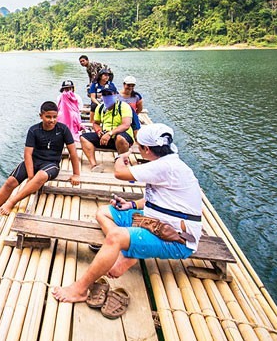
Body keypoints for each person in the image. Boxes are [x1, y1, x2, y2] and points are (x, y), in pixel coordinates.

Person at [52, 123, 202, 303]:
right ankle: (129, 251)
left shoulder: (165, 167)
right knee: (103, 212)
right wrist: (131, 204)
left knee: (115, 237)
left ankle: (80, 289)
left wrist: (120, 157)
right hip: (153, 221)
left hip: (176, 239)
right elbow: (154, 198)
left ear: (146, 149)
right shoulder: (166, 163)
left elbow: (119, 173)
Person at [0, 101, 81, 229]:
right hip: (34, 161)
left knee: (41, 176)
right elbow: (28, 154)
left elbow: (73, 152)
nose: (52, 120)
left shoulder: (63, 129)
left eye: (55, 117)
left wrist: (76, 174)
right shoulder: (34, 130)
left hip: (51, 164)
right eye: (48, 117)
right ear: (41, 116)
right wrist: (30, 176)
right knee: (10, 181)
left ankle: (12, 202)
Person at [81, 88, 133, 172]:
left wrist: (110, 133)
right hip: (105, 136)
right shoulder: (100, 107)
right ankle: (93, 165)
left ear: (116, 94)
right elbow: (96, 123)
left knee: (120, 138)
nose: (106, 97)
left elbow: (126, 124)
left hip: (122, 136)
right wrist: (98, 131)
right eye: (104, 95)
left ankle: (121, 163)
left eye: (109, 94)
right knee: (84, 138)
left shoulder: (123, 106)